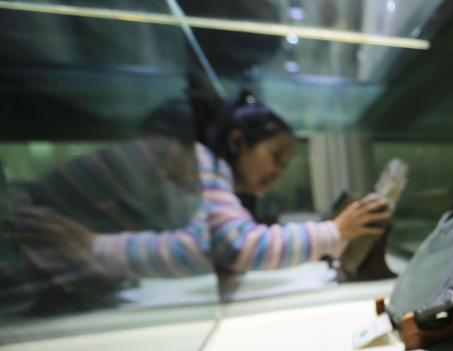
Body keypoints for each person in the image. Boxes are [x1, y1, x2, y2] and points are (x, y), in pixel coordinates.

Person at [15, 92, 390, 289]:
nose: (278, 173)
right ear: (238, 141)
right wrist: (333, 232)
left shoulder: (208, 169)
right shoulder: (201, 159)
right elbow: (228, 246)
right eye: (275, 156)